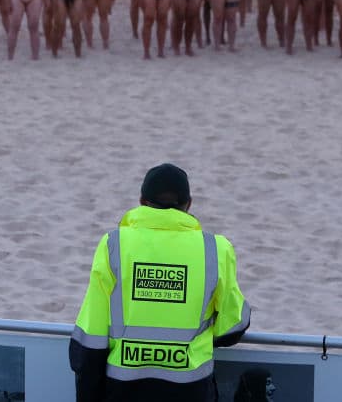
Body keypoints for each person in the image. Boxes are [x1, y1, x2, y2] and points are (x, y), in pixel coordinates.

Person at [70, 163, 250, 402]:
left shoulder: (113, 244)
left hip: (123, 388)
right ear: (189, 204)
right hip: (190, 389)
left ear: (142, 202)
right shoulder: (215, 249)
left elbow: (92, 332)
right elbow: (233, 326)